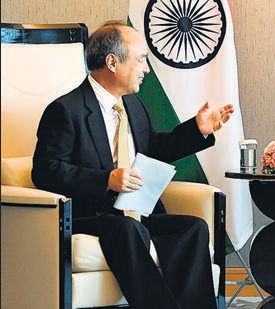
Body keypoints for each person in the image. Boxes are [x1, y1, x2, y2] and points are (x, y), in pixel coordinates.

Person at [32, 22, 234, 309]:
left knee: (193, 228)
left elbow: (153, 149)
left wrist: (198, 130)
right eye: (141, 59)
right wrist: (106, 179)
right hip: (90, 214)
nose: (147, 69)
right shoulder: (66, 110)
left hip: (134, 210)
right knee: (128, 230)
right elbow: (45, 171)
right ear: (112, 62)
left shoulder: (133, 106)